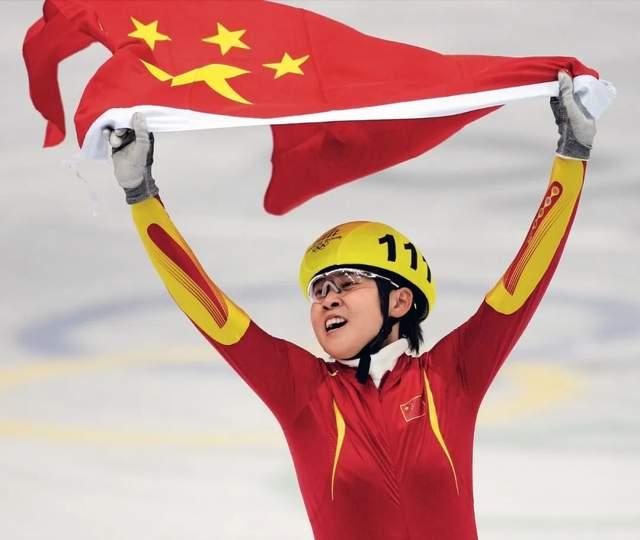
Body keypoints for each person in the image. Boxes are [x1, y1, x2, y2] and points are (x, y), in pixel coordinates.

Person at [104, 71, 595, 540]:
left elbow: (524, 280)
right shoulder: (303, 393)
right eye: (319, 291)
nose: (328, 299)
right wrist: (140, 195)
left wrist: (572, 155)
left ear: (400, 300)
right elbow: (209, 308)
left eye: (347, 284)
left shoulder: (452, 377)